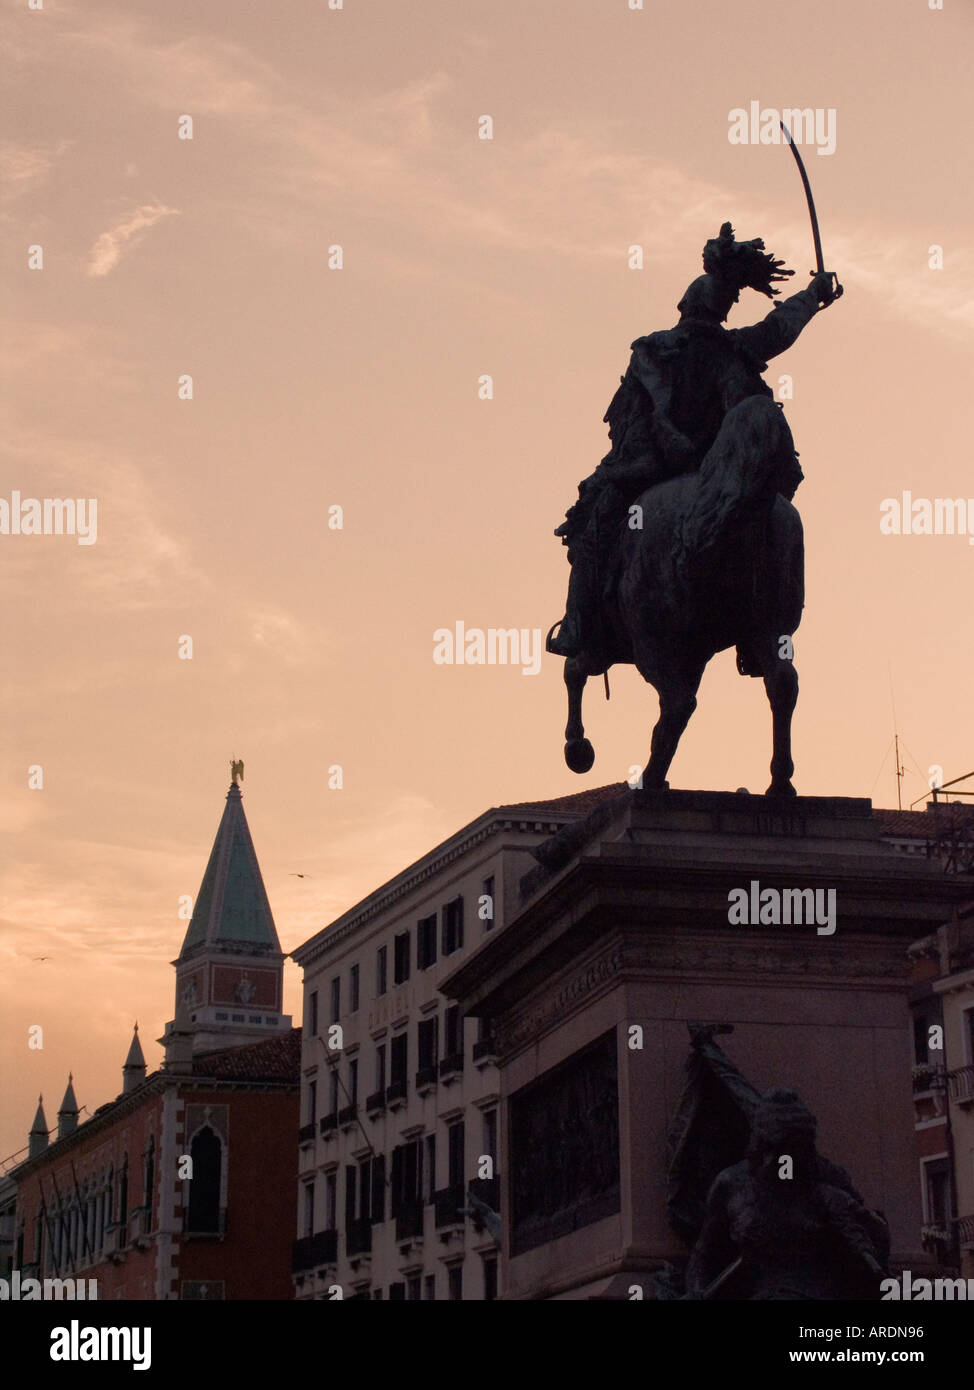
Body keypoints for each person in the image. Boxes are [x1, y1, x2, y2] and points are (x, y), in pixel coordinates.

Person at [546, 223, 838, 661]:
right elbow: (779, 327)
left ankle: (579, 628)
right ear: (720, 310)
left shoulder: (654, 348)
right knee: (775, 513)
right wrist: (813, 296)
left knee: (592, 523)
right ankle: (764, 638)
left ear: (686, 305)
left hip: (654, 465)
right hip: (721, 469)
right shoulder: (737, 348)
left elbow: (637, 417)